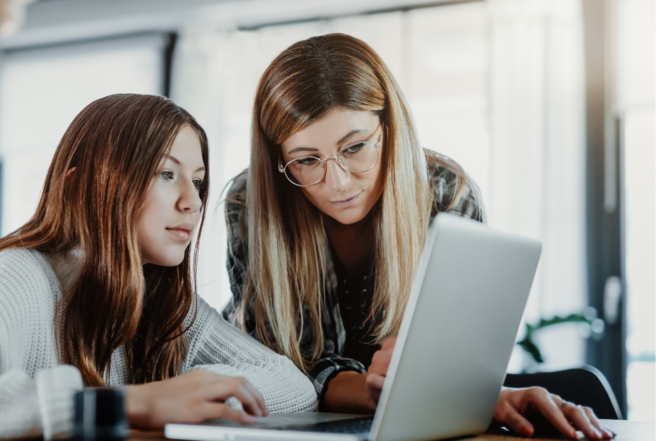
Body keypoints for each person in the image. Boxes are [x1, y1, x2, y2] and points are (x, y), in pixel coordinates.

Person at [223, 34, 614, 440]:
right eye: (306, 160)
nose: (337, 182)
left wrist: (446, 390)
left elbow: (456, 361)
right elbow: (284, 372)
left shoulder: (446, 193)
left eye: (355, 147)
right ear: (279, 159)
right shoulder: (250, 204)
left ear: (390, 129)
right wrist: (397, 392)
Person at [0, 94, 317, 441]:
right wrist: (133, 402)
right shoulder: (19, 275)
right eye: (166, 174)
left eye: (199, 180)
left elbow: (294, 388)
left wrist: (196, 387)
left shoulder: (162, 301)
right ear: (83, 185)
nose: (193, 201)